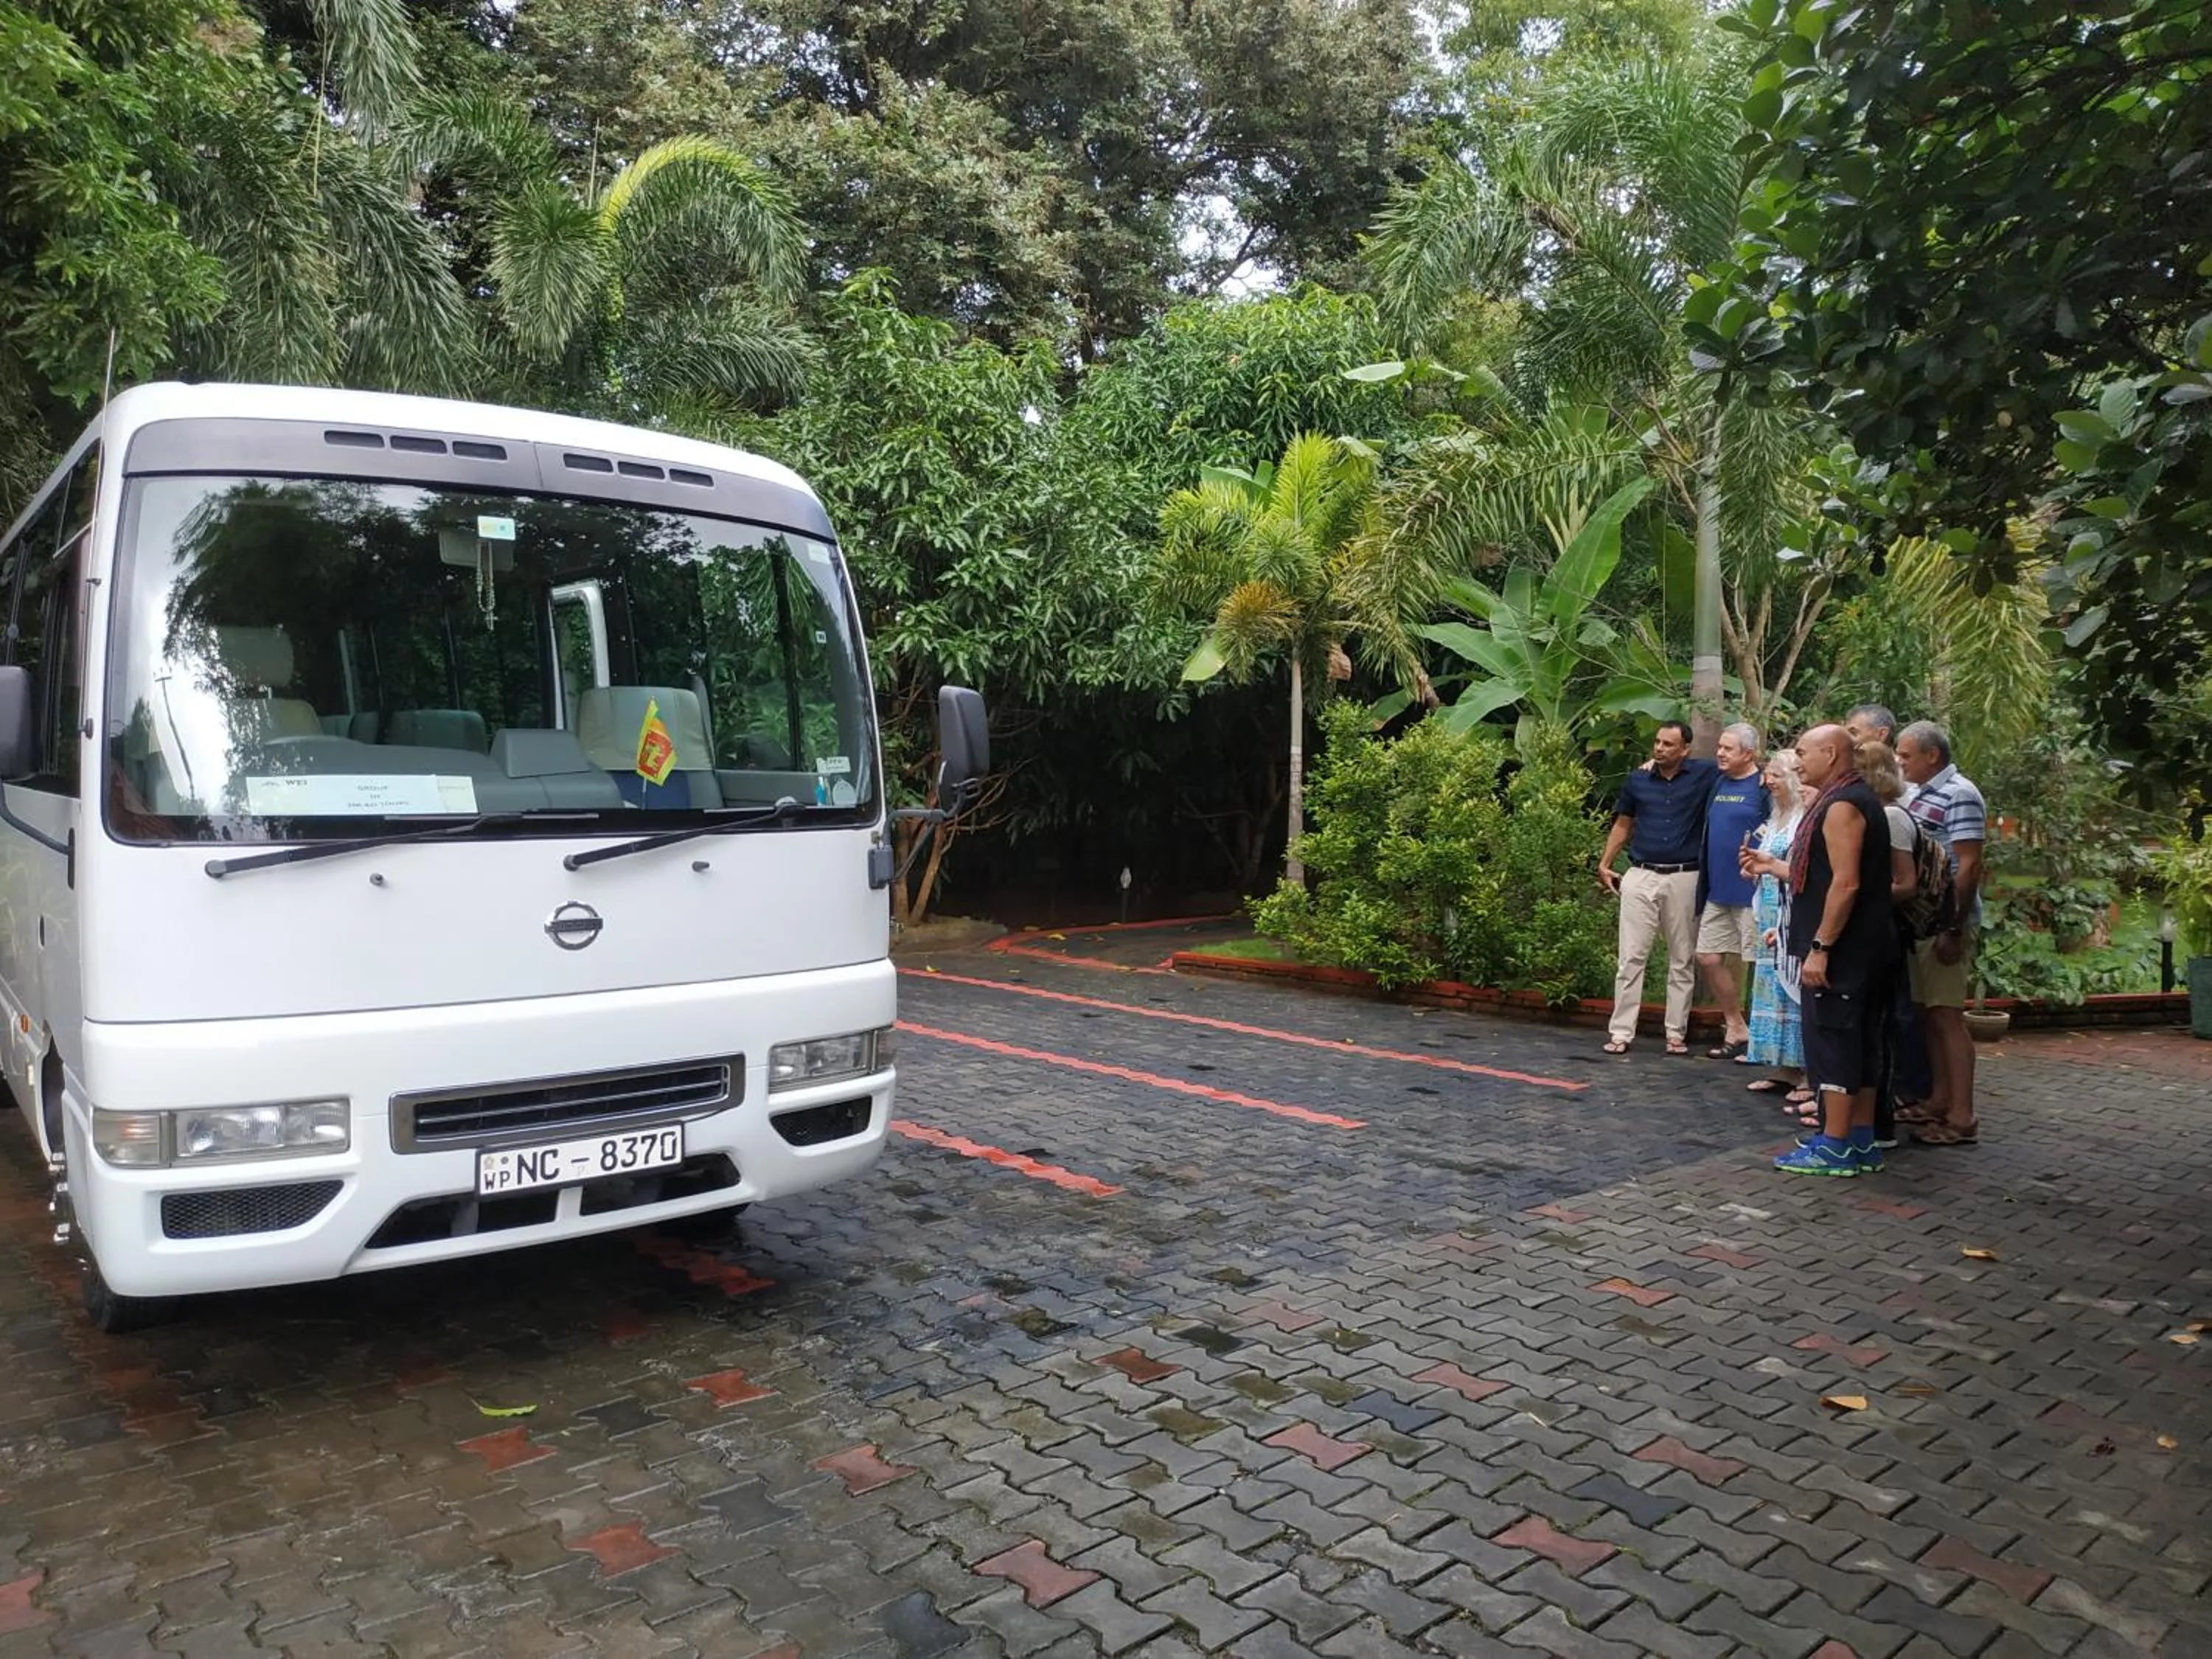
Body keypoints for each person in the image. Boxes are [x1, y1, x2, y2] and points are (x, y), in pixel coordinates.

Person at [1770, 724, 1897, 1177]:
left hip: (1845, 949)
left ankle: (1835, 1144)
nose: (1797, 761)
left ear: (1830, 753)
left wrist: (1820, 947)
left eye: (1803, 752)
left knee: (1835, 1041)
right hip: (1867, 946)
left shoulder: (1844, 805)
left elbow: (1845, 883)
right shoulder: (1858, 798)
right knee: (1860, 1040)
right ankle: (1860, 1138)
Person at [1597, 720, 1715, 1056]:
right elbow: (1623, 822)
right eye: (1658, 743)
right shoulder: (1637, 780)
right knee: (1631, 957)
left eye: (1668, 744)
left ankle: (1675, 1033)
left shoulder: (1704, 775)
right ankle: (1621, 1032)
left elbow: (1742, 768)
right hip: (1641, 873)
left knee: (1681, 957)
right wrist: (1606, 862)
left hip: (1684, 875)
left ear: (1685, 749)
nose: (1660, 748)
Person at [1896, 720, 1987, 1147]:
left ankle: (1963, 1116)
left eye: (1906, 755)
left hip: (1943, 921)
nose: (1900, 762)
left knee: (1948, 1016)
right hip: (1919, 922)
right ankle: (1939, 1100)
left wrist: (1955, 926)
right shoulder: (1915, 794)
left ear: (1932, 756)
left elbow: (1968, 864)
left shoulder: (1961, 794)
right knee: (1928, 1014)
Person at [1856, 740, 1924, 1150]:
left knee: (1882, 1028)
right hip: (1873, 927)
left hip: (1887, 931)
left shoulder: (1892, 817)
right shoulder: (1868, 813)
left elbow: (1907, 882)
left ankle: (1882, 1117)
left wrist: (1865, 895)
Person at [1694, 723, 1771, 1059]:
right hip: (1718, 890)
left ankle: (1765, 1039)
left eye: (1728, 749)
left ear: (1749, 754)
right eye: (1720, 747)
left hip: (1751, 893)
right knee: (1708, 956)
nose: (1720, 753)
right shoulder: (1719, 782)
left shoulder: (1764, 787)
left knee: (1758, 965)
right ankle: (1736, 1026)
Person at [1737, 748, 1807, 1109]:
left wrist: (1769, 867)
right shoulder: (1777, 816)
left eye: (1776, 776)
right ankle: (1781, 1064)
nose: (1769, 783)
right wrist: (1753, 868)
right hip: (1767, 908)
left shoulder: (1804, 817)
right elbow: (1769, 862)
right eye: (1768, 776)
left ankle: (1806, 1070)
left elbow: (1797, 868)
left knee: (1793, 985)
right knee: (1770, 984)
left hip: (1790, 910)